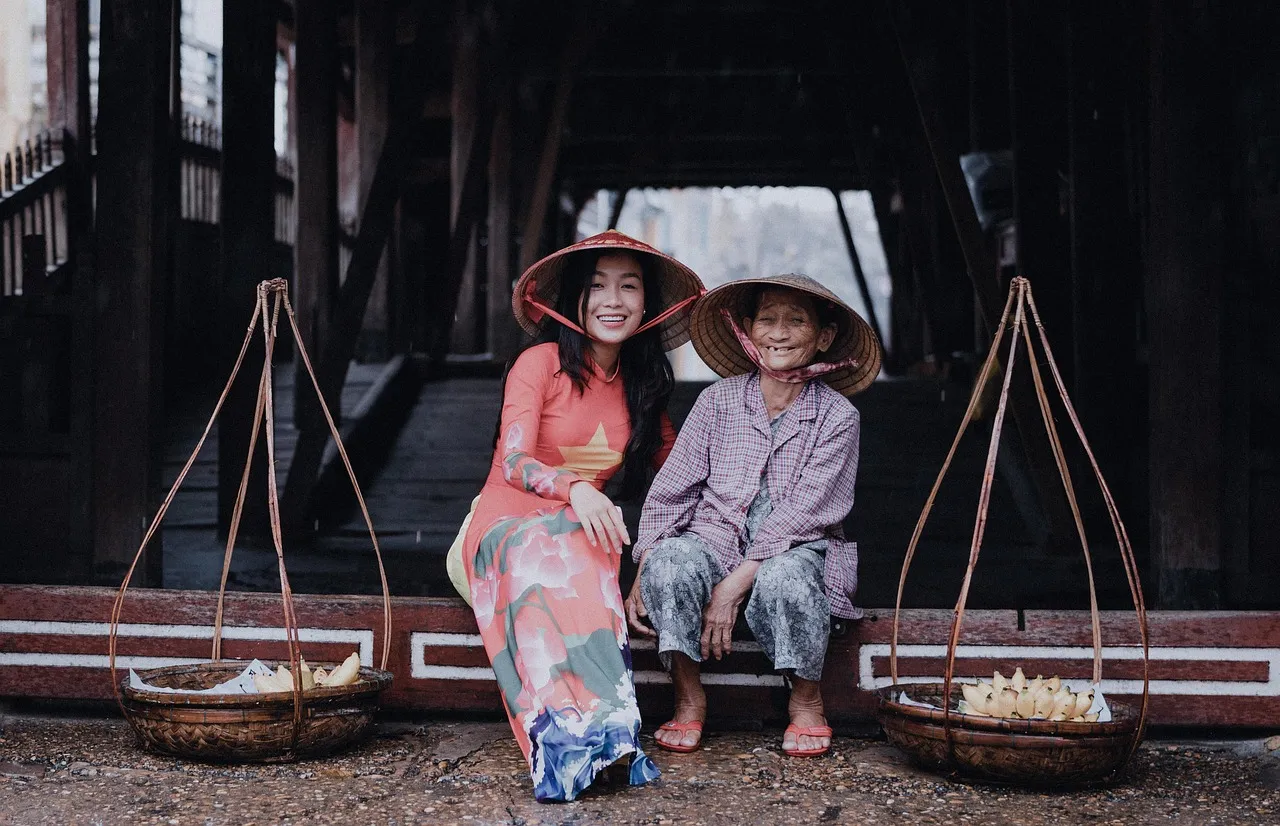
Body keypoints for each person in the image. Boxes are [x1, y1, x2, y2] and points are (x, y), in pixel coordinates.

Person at [455, 229, 704, 802]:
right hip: (500, 529)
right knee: (571, 532)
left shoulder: (641, 385)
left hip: (579, 542)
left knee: (587, 538)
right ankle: (563, 747)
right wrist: (578, 491)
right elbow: (513, 462)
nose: (613, 300)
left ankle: (611, 736)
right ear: (574, 299)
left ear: (646, 303)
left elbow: (682, 478)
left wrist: (654, 556)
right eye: (597, 286)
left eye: (629, 287)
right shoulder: (539, 363)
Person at [625, 273, 881, 758]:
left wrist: (733, 586)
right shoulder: (716, 401)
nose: (779, 333)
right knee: (670, 563)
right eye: (767, 319)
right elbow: (671, 491)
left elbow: (804, 513)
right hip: (714, 537)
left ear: (824, 337)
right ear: (747, 328)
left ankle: (806, 700)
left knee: (786, 579)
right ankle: (688, 696)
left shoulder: (837, 416)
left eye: (796, 321)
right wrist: (647, 562)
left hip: (796, 547)